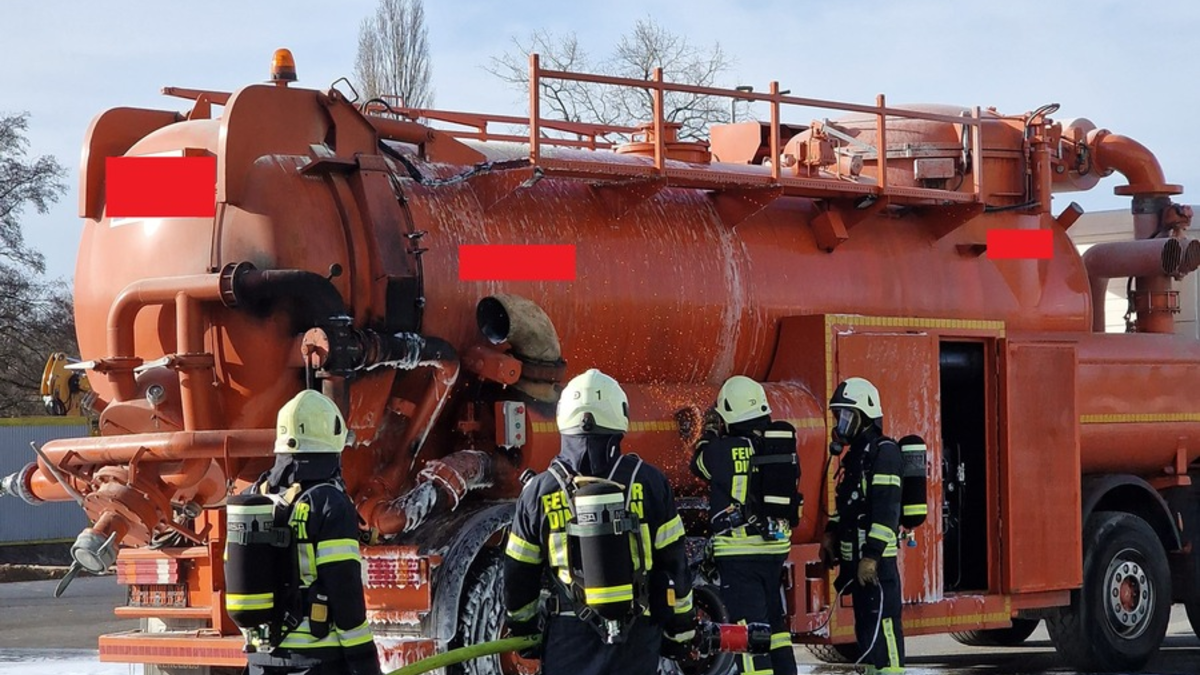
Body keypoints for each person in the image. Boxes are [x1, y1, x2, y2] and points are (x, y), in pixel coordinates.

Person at [503, 369, 696, 675]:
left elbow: (519, 574)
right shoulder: (649, 482)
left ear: (562, 417)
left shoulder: (538, 492)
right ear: (620, 416)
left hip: (568, 640)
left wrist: (524, 632)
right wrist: (680, 631)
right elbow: (674, 564)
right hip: (636, 642)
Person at [239, 390, 382, 675]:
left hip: (260, 661)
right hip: (317, 661)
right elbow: (344, 593)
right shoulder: (329, 503)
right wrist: (365, 664)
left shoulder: (254, 497)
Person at [690, 375, 800, 675]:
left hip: (739, 554)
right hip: (774, 550)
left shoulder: (724, 448)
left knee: (748, 632)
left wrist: (708, 432)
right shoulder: (777, 445)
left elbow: (699, 464)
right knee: (775, 627)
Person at [820, 377, 905, 674]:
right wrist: (830, 534)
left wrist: (871, 556)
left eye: (845, 415)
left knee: (885, 625)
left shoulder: (884, 453)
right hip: (857, 562)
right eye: (837, 416)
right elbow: (848, 506)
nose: (840, 423)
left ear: (865, 415)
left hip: (876, 564)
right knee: (866, 628)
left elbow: (887, 511)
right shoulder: (855, 456)